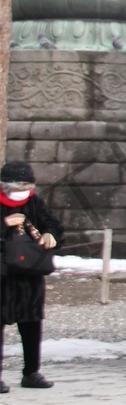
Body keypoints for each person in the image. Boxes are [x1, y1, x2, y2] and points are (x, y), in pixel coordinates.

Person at [0, 160, 63, 392]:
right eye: (16, 187)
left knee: (32, 323)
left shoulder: (34, 202)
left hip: (30, 274)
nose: (21, 192)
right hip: (3, 273)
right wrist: (4, 224)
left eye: (25, 186)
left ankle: (31, 372)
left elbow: (54, 225)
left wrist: (51, 235)